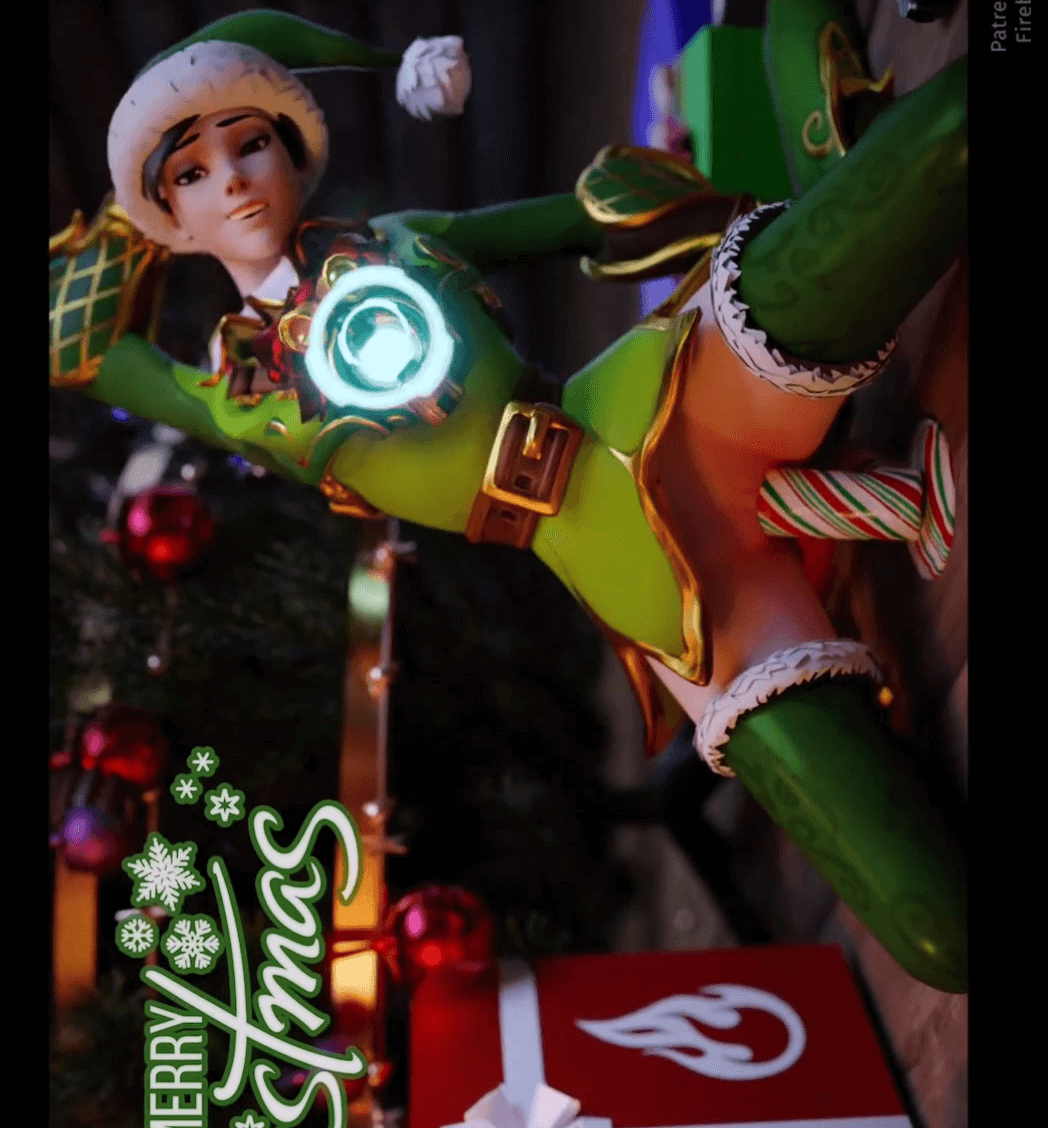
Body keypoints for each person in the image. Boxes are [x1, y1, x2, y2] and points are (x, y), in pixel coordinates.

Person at [49, 7, 967, 991]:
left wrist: (717, 210)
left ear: (294, 151)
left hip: (653, 397)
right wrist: (131, 197)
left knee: (935, 147)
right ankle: (871, 492)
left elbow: (580, 218)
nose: (232, 179)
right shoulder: (240, 401)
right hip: (616, 560)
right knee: (937, 928)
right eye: (191, 175)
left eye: (250, 143)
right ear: (174, 221)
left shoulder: (399, 243)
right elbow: (77, 347)